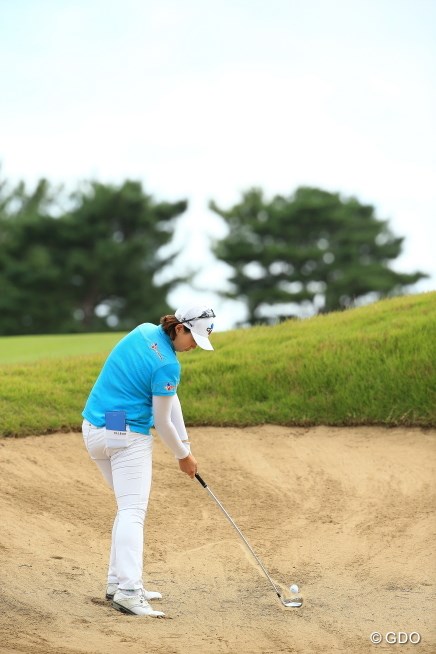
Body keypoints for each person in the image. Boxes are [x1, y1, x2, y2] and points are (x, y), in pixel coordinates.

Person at [81, 304, 215, 618]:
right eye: (193, 338)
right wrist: (184, 457)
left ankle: (118, 584)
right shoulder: (168, 365)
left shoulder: (142, 332)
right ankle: (129, 591)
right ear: (180, 328)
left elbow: (170, 399)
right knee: (132, 511)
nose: (194, 345)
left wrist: (186, 444)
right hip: (128, 437)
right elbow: (162, 421)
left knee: (126, 507)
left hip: (97, 430)